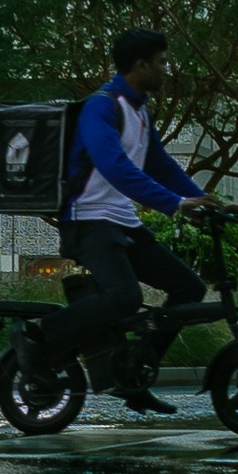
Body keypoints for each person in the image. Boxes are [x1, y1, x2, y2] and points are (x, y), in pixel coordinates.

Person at [40, 27, 214, 413]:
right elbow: (114, 166)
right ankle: (44, 339)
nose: (167, 70)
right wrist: (174, 204)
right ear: (141, 65)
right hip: (86, 221)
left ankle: (134, 373)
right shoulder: (102, 106)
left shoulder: (140, 111)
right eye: (162, 62)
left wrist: (201, 201)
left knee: (188, 287)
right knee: (125, 296)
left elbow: (161, 166)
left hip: (122, 222)